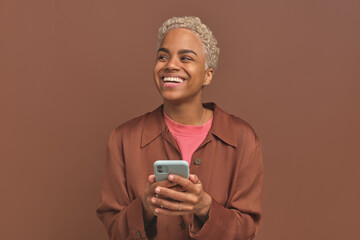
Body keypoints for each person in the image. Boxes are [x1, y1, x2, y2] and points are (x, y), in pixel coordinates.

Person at [96, 16, 263, 240]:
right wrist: (145, 207)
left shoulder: (242, 139)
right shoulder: (123, 139)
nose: (171, 65)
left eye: (186, 58)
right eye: (163, 56)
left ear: (208, 75)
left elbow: (247, 232)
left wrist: (205, 207)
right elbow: (115, 230)